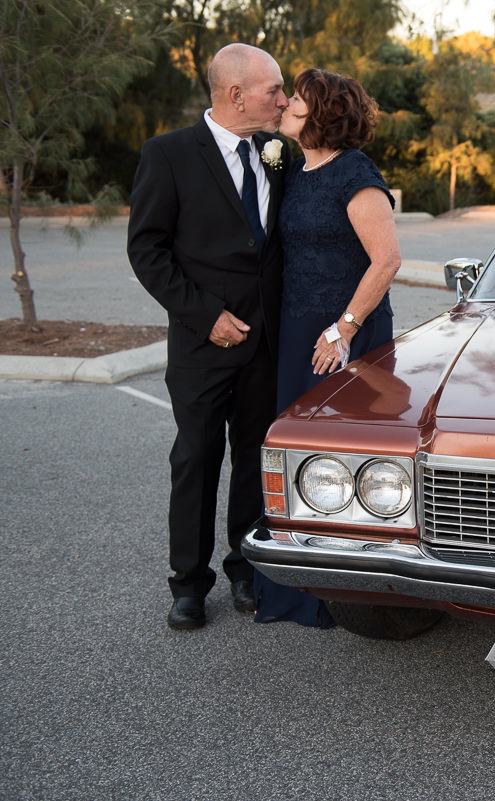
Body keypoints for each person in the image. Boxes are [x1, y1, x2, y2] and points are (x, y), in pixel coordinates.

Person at [127, 43, 290, 631]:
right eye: (274, 89)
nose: (283, 98)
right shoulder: (168, 154)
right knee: (196, 457)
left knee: (253, 458)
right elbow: (147, 249)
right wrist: (205, 315)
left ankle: (245, 568)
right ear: (235, 94)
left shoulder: (280, 155)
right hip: (203, 342)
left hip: (267, 341)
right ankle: (188, 584)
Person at [254, 67, 402, 626]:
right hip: (297, 328)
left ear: (324, 110)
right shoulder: (291, 169)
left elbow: (386, 260)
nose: (288, 101)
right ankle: (295, 585)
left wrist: (342, 327)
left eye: (299, 96)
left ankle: (350, 586)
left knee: (343, 452)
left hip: (347, 332)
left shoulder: (356, 174)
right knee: (294, 445)